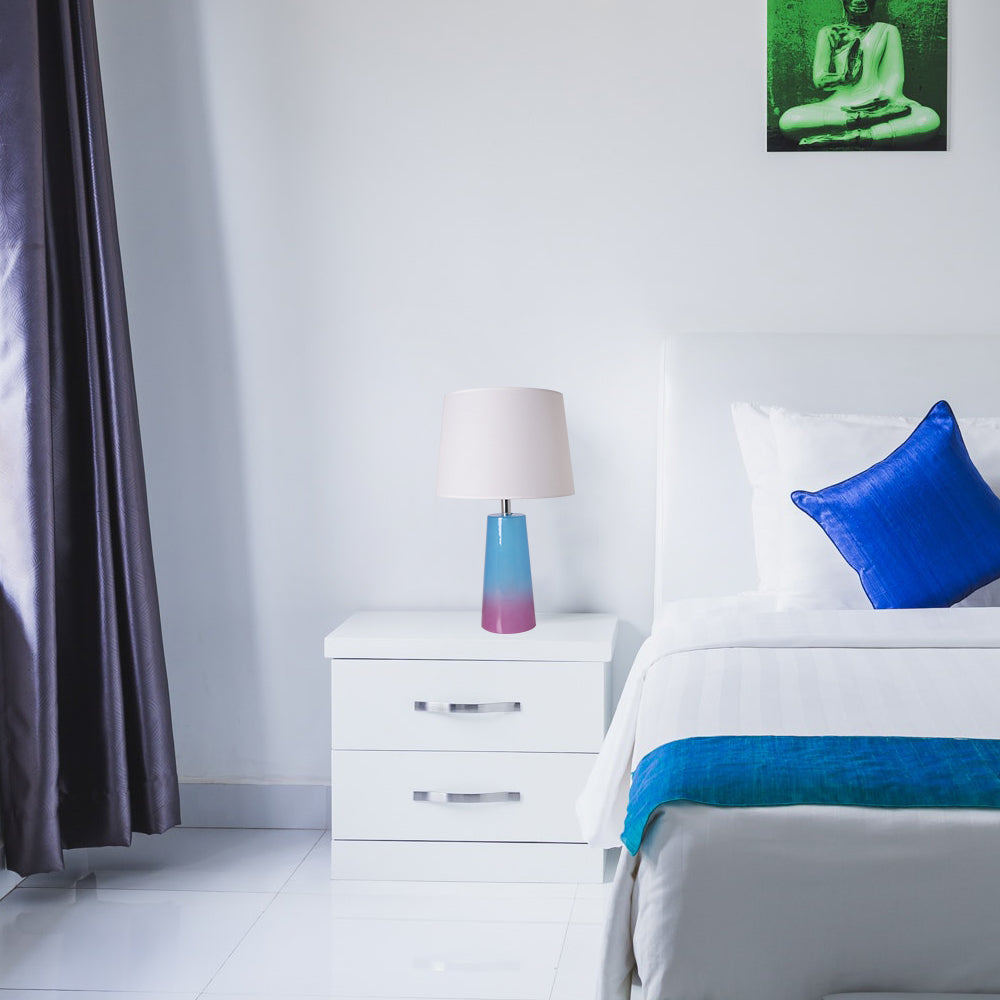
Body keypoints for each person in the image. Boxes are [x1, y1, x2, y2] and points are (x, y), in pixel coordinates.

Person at [778, 0, 940, 148]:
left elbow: (894, 78)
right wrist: (844, 77)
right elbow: (819, 80)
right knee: (790, 120)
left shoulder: (888, 31)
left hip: (881, 105)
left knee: (928, 119)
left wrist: (883, 102)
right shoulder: (829, 33)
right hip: (839, 107)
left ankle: (852, 137)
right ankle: (863, 124)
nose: (859, 0)